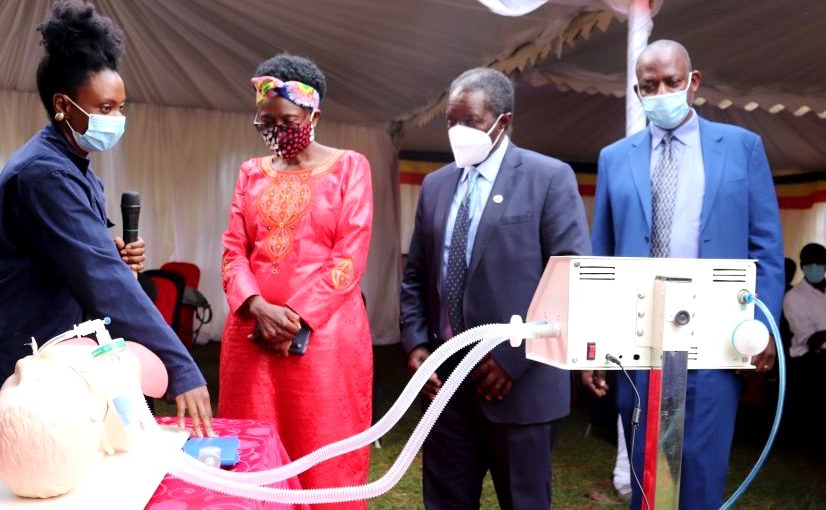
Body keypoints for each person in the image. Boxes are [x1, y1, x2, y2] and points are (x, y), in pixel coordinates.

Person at [0, 0, 213, 449]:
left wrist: (112, 256)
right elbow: (101, 280)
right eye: (105, 107)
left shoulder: (75, 164)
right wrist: (180, 365)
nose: (116, 120)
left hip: (43, 355)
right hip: (3, 358)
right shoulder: (45, 174)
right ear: (63, 105)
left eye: (121, 108)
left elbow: (78, 261)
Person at [583, 40, 783, 510]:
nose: (663, 93)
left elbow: (767, 249)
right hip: (638, 339)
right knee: (645, 468)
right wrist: (592, 339)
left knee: (701, 467)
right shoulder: (615, 157)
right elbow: (603, 256)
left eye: (672, 82)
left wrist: (764, 324)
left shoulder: (741, 147)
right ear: (637, 91)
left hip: (716, 336)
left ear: (693, 82)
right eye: (650, 86)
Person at [400, 67, 591, 509]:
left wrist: (511, 359)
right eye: (451, 122)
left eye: (470, 122)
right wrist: (414, 344)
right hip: (446, 383)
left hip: (519, 388)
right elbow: (416, 277)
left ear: (503, 122)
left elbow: (570, 283)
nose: (458, 132)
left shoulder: (549, 178)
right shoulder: (435, 185)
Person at [219, 53, 373, 508]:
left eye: (283, 119)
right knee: (253, 455)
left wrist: (294, 319)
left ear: (313, 115)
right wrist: (258, 308)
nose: (272, 130)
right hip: (250, 337)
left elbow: (350, 254)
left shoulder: (349, 167)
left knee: (320, 449)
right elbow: (233, 250)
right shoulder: (251, 172)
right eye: (263, 121)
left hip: (321, 345)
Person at [782, 243, 826, 436]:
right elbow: (811, 339)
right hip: (809, 359)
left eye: (819, 262)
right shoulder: (794, 297)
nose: (814, 266)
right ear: (802, 265)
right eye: (809, 263)